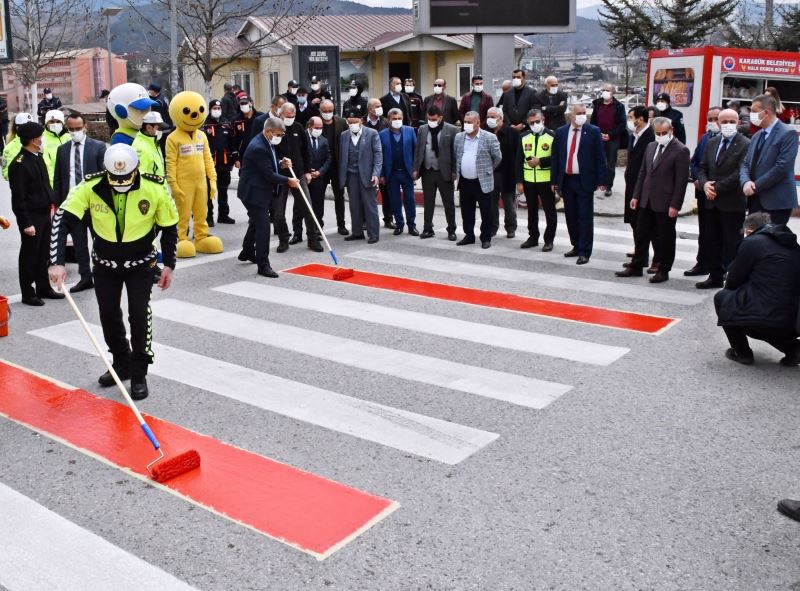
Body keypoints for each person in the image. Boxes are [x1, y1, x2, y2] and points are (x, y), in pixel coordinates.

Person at [49, 144, 179, 400]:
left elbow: (170, 227)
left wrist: (169, 265)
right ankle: (122, 363)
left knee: (139, 316)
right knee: (108, 316)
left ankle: (139, 371)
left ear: (136, 170)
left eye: (125, 178)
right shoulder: (90, 186)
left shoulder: (155, 187)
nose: (120, 182)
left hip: (141, 265)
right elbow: (62, 220)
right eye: (115, 178)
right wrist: (57, 262)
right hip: (105, 265)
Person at [714, 211, 800, 366]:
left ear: (749, 230)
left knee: (722, 298)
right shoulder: (791, 244)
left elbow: (733, 281)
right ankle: (793, 348)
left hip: (767, 314)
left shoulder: (752, 242)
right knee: (764, 320)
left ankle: (742, 352)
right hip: (793, 319)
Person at [616, 117, 690, 283]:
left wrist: (675, 205)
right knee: (641, 234)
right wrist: (636, 195)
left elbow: (681, 181)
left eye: (664, 133)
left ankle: (664, 269)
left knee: (665, 237)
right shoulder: (651, 146)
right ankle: (637, 265)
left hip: (666, 202)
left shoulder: (680, 150)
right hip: (646, 199)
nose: (661, 135)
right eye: (658, 133)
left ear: (671, 130)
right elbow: (643, 173)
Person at [237, 118, 300, 278]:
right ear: (268, 131)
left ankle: (247, 250)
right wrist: (288, 180)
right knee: (264, 226)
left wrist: (281, 163)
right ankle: (263, 264)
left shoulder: (266, 142)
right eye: (278, 134)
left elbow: (268, 164)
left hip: (259, 190)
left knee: (255, 222)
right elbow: (268, 174)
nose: (280, 137)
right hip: (253, 193)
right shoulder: (258, 147)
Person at [695, 108, 750, 289]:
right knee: (712, 241)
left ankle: (734, 279)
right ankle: (715, 276)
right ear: (718, 123)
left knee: (733, 243)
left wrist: (716, 188)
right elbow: (702, 167)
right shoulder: (712, 142)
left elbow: (740, 173)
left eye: (731, 121)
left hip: (732, 202)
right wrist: (704, 185)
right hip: (711, 202)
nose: (727, 125)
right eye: (724, 121)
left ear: (738, 123)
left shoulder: (745, 144)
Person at [52, 114, 107, 293]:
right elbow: (59, 179)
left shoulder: (98, 147)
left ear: (85, 127)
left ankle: (103, 273)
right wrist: (60, 204)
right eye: (71, 129)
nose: (75, 132)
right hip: (73, 205)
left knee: (100, 241)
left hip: (94, 204)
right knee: (79, 243)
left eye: (78, 128)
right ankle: (85, 277)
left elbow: (105, 178)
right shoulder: (63, 149)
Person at [9, 122, 62, 306]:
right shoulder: (20, 164)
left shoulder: (37, 157)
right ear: (33, 140)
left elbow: (44, 185)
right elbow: (19, 198)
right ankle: (28, 292)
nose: (42, 139)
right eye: (40, 137)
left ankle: (44, 287)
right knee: (30, 255)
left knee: (43, 254)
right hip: (31, 216)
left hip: (44, 212)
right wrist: (26, 223)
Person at [551, 104, 607, 265]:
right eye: (578, 113)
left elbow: (600, 157)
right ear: (571, 115)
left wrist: (602, 180)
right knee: (571, 216)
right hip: (567, 180)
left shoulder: (593, 131)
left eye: (584, 113)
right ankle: (575, 245)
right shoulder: (561, 132)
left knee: (584, 217)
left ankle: (585, 251)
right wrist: (554, 181)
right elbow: (556, 157)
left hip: (584, 180)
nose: (582, 115)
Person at [740, 93, 799, 225]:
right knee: (753, 239)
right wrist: (745, 182)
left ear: (766, 112)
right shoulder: (756, 136)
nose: (751, 116)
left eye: (754, 111)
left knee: (771, 242)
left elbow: (782, 167)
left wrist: (755, 186)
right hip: (755, 200)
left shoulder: (788, 133)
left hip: (776, 202)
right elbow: (745, 163)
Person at [276, 102, 321, 253]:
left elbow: (306, 150)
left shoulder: (298, 127)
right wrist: (278, 163)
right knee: (278, 211)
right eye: (287, 116)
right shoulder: (274, 128)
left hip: (299, 173)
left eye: (292, 116)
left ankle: (312, 239)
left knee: (307, 207)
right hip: (280, 176)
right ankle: (283, 239)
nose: (290, 119)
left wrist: (308, 171)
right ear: (280, 114)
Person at [453, 111, 502, 249]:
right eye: (465, 122)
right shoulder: (459, 137)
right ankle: (469, 236)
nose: (467, 125)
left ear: (478, 123)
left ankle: (486, 238)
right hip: (465, 181)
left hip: (482, 181)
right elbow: (457, 156)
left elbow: (497, 157)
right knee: (467, 212)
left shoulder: (489, 137)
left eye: (470, 122)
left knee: (487, 211)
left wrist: (486, 170)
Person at [685, 106, 722, 277]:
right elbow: (695, 162)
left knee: (718, 233)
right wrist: (697, 178)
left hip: (718, 192)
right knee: (704, 231)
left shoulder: (727, 140)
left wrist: (708, 183)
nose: (713, 122)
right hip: (702, 191)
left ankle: (718, 267)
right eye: (710, 119)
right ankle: (702, 263)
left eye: (716, 118)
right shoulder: (705, 138)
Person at [413, 105, 458, 240]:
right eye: (428, 119)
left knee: (448, 203)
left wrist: (455, 171)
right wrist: (415, 168)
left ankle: (451, 229)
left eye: (433, 119)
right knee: (428, 202)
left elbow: (455, 152)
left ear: (440, 118)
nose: (431, 121)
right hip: (427, 170)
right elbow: (418, 150)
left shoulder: (451, 130)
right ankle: (428, 228)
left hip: (444, 171)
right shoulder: (422, 129)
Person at [339, 107, 382, 244]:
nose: (352, 124)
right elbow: (342, 156)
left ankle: (373, 233)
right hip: (351, 175)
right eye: (350, 122)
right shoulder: (344, 135)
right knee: (354, 205)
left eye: (355, 121)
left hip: (367, 175)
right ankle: (357, 232)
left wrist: (376, 173)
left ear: (361, 121)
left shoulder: (372, 133)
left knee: (370, 206)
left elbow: (378, 154)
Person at [516, 108, 556, 251]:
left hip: (546, 180)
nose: (535, 124)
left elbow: (556, 159)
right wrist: (519, 181)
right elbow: (518, 160)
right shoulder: (523, 136)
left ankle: (549, 240)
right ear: (528, 122)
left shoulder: (552, 136)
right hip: (529, 181)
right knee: (531, 211)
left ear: (543, 120)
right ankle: (533, 237)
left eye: (537, 121)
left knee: (549, 211)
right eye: (532, 122)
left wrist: (540, 161)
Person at [379, 108, 418, 236]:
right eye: (394, 119)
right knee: (394, 201)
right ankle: (399, 225)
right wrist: (382, 175)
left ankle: (412, 225)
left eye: (399, 118)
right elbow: (380, 156)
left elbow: (415, 152)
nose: (397, 121)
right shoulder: (382, 134)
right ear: (389, 120)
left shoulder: (410, 131)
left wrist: (415, 169)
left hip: (407, 172)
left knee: (410, 200)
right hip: (391, 173)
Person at [623, 106, 655, 249]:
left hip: (643, 186)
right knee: (633, 220)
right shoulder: (633, 135)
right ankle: (639, 251)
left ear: (640, 119)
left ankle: (647, 257)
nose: (629, 121)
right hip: (632, 184)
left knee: (644, 222)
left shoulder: (651, 136)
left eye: (631, 117)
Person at [485, 106, 518, 239]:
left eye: (492, 117)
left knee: (509, 202)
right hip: (491, 173)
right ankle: (493, 227)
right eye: (488, 117)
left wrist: (517, 176)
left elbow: (517, 155)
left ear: (501, 119)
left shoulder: (512, 133)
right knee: (491, 202)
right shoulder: (485, 132)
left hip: (507, 174)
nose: (489, 120)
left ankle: (511, 227)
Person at [202, 99, 236, 226]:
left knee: (223, 190)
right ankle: (209, 216)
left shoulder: (226, 124)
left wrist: (233, 158)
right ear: (210, 110)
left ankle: (223, 215)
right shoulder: (204, 126)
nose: (217, 111)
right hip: (210, 165)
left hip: (225, 164)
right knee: (209, 192)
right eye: (214, 108)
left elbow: (232, 143)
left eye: (219, 108)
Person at [589, 83, 626, 197]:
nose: (605, 92)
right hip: (598, 137)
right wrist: (597, 134)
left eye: (607, 90)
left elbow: (622, 124)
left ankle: (608, 186)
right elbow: (593, 121)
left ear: (613, 92)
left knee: (610, 164)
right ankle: (597, 183)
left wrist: (610, 135)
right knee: (597, 161)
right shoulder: (597, 104)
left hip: (612, 139)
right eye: (603, 90)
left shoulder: (619, 106)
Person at [364, 98, 395, 229]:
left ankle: (388, 219)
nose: (380, 108)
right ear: (370, 109)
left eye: (380, 105)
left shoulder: (386, 123)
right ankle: (365, 220)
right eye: (377, 106)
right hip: (366, 162)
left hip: (384, 161)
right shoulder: (361, 122)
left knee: (387, 192)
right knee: (366, 194)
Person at [319, 99, 349, 234]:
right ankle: (318, 226)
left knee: (339, 196)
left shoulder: (341, 122)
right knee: (318, 197)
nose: (327, 113)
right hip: (321, 166)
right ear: (320, 111)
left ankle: (341, 224)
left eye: (330, 111)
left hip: (337, 166)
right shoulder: (315, 122)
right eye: (324, 111)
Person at [303, 116, 332, 234]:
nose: (319, 129)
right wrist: (307, 171)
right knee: (301, 206)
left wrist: (320, 172)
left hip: (319, 178)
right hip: (305, 177)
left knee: (318, 205)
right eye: (316, 127)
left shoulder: (324, 140)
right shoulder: (302, 137)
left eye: (321, 128)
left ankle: (318, 229)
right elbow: (298, 156)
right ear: (310, 127)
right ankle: (298, 232)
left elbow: (328, 158)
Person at [132, 111, 168, 177]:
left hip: (158, 186)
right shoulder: (140, 147)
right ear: (149, 128)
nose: (160, 131)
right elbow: (140, 177)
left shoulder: (153, 141)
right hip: (151, 187)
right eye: (158, 128)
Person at [231, 95, 263, 165]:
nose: (244, 106)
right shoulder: (236, 120)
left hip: (259, 153)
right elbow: (233, 139)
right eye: (242, 104)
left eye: (245, 103)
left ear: (251, 103)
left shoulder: (260, 117)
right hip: (243, 155)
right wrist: (236, 158)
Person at [42, 110, 70, 187]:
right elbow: (46, 166)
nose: (55, 124)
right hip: (54, 184)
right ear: (46, 124)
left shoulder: (69, 137)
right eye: (51, 121)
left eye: (58, 121)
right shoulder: (42, 139)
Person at [3, 113, 34, 181]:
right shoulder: (10, 148)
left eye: (32, 125)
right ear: (17, 128)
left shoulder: (41, 142)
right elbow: (6, 174)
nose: (30, 128)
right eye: (26, 126)